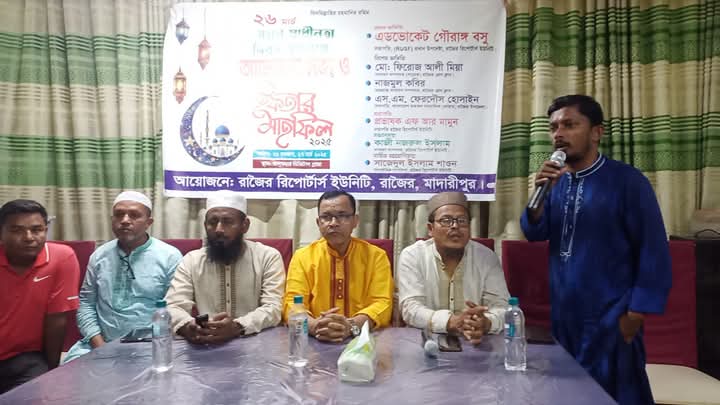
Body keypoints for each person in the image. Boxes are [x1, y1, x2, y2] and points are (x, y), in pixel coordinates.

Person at [521, 94, 672, 404]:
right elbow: (534, 232)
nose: (558, 134)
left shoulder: (627, 182)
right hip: (565, 321)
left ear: (596, 132)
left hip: (611, 322)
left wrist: (634, 316)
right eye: (554, 127)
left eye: (569, 125)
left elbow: (654, 251)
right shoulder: (556, 183)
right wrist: (539, 194)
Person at [63, 191, 182, 363]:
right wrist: (100, 346)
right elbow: (86, 304)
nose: (125, 220)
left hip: (150, 347)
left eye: (134, 215)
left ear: (149, 222)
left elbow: (174, 308)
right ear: (112, 220)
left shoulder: (169, 256)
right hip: (99, 344)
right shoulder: (99, 256)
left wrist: (152, 346)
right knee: (70, 374)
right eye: (119, 215)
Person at [166, 191, 285, 344]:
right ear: (205, 225)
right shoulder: (191, 260)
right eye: (212, 222)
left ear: (245, 225)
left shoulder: (267, 257)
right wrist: (188, 326)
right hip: (205, 343)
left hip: (256, 343)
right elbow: (173, 306)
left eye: (227, 222)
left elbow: (274, 308)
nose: (219, 229)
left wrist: (238, 326)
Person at [397, 192, 509, 344]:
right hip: (424, 341)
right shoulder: (413, 255)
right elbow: (411, 309)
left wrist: (486, 323)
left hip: (476, 342)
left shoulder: (486, 257)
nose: (455, 226)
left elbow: (503, 307)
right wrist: (450, 322)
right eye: (446, 221)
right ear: (430, 228)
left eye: (462, 221)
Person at [283, 190, 393, 343]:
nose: (333, 223)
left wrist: (351, 325)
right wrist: (314, 326)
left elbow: (383, 303)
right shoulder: (303, 257)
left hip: (364, 341)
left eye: (342, 216)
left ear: (355, 221)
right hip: (315, 340)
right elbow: (293, 303)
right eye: (326, 217)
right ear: (318, 223)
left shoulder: (376, 256)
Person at [0, 199, 80, 393]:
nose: (28, 237)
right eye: (17, 230)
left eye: (36, 230)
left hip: (26, 357)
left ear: (46, 230)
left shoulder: (62, 258)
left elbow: (57, 320)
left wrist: (50, 373)